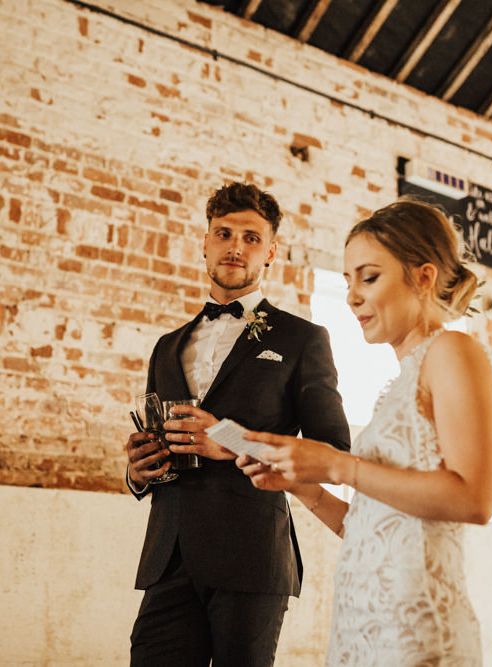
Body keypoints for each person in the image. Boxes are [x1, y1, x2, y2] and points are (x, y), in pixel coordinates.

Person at [238, 199, 492, 665]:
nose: (352, 296)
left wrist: (339, 464)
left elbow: (475, 499)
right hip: (362, 624)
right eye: (347, 281)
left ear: (423, 277)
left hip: (415, 631)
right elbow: (369, 526)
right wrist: (301, 483)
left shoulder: (453, 351)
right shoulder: (394, 388)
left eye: (369, 277)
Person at [125, 182, 350, 666]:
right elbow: (162, 444)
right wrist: (139, 471)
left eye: (251, 238)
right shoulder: (167, 346)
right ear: (204, 243)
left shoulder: (303, 339)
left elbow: (330, 453)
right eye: (223, 233)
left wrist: (228, 439)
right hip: (169, 556)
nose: (235, 246)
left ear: (271, 251)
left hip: (252, 558)